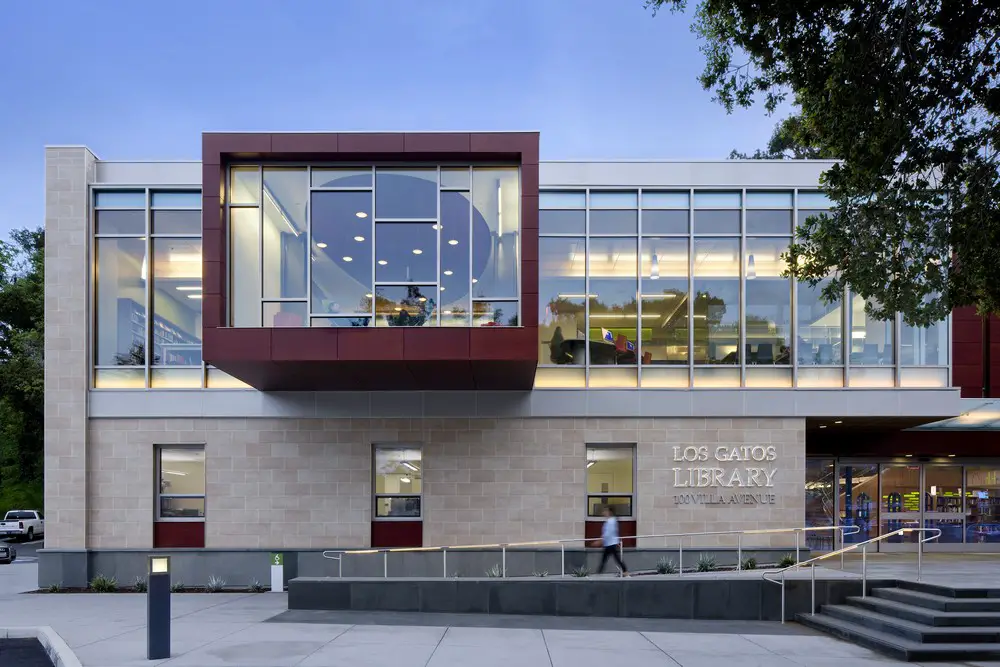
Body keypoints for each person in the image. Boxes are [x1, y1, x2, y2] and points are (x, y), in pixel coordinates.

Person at [595, 505, 628, 576]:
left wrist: (600, 541)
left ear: (609, 512)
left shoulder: (611, 521)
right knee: (607, 559)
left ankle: (599, 573)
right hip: (609, 543)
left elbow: (608, 533)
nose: (603, 512)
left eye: (605, 511)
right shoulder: (610, 521)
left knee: (613, 558)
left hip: (611, 543)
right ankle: (599, 572)